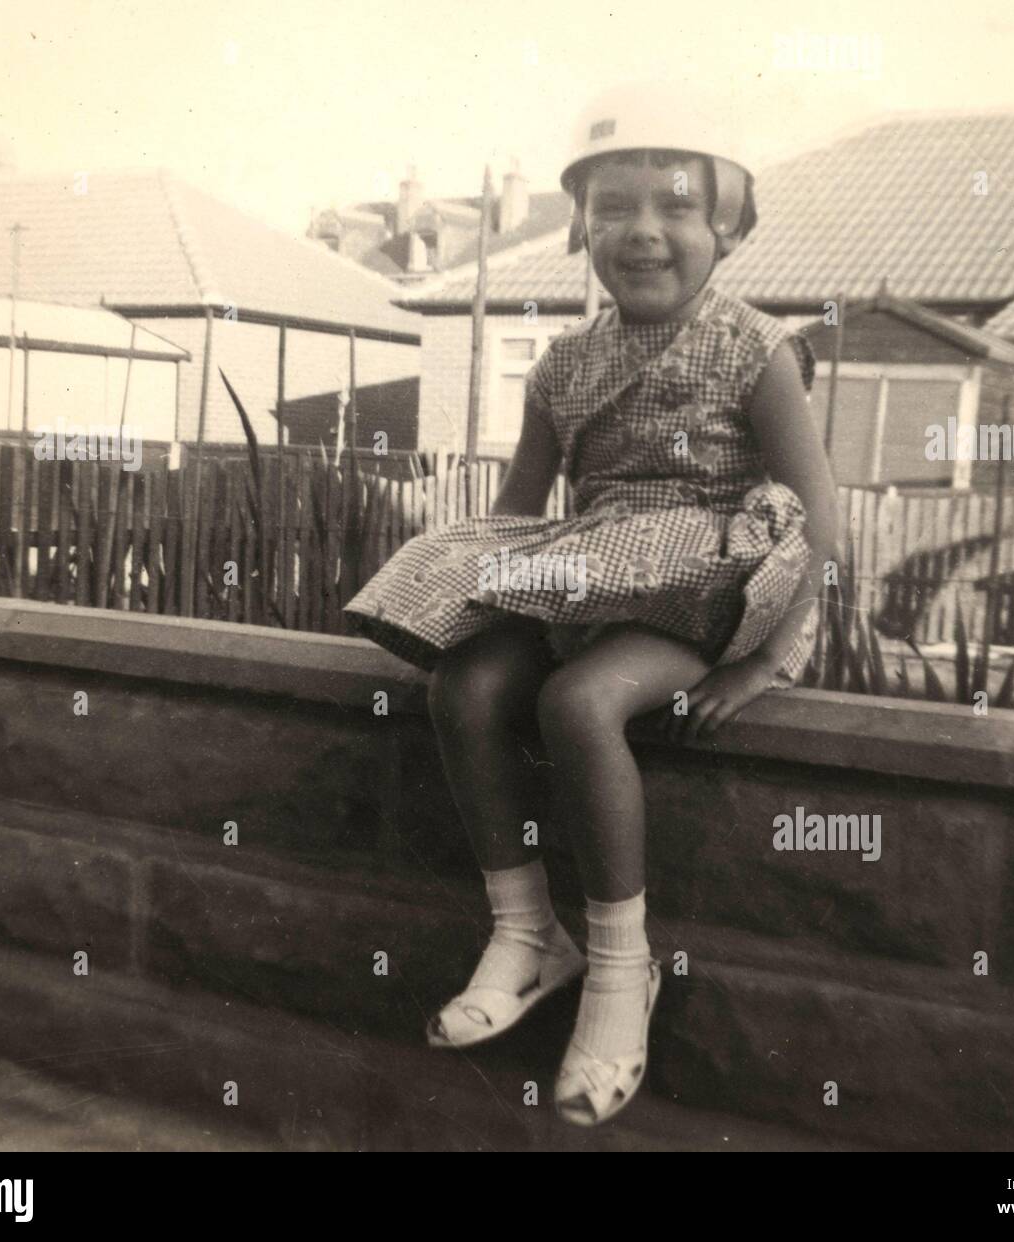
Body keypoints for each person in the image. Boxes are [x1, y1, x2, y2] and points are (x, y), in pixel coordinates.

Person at [344, 81, 841, 1127]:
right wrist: (462, 594)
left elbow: (813, 515)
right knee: (466, 688)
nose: (644, 232)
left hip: (711, 587)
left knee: (579, 704)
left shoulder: (757, 349)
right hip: (589, 572)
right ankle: (527, 934)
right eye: (614, 207)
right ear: (578, 226)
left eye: (676, 206)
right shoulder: (565, 364)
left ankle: (621, 972)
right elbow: (520, 514)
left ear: (729, 227)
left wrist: (762, 663)